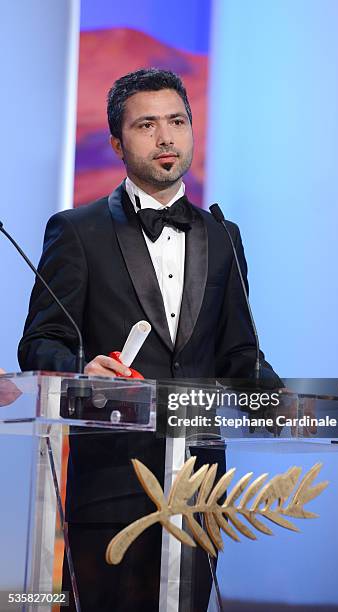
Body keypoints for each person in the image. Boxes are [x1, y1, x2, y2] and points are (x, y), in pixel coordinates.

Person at [18, 68, 282, 611]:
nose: (166, 138)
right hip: (112, 482)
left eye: (177, 121)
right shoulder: (76, 231)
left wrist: (287, 405)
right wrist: (80, 366)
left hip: (199, 487)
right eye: (147, 125)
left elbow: (240, 353)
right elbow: (39, 343)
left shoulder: (222, 234)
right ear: (117, 142)